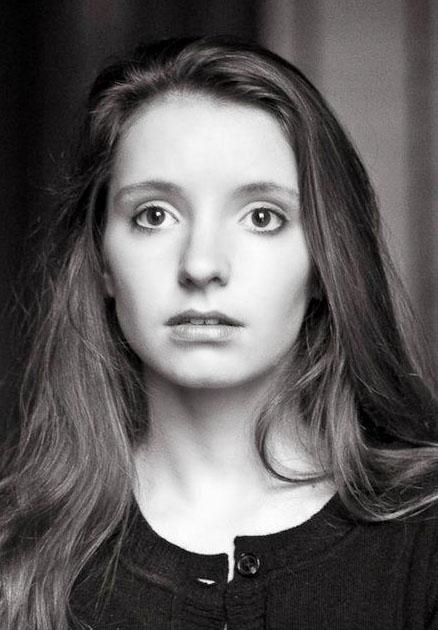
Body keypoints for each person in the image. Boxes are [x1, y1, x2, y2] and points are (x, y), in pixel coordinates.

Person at [1, 36, 438, 630]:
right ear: (102, 259)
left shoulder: (424, 539)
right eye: (154, 215)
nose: (202, 264)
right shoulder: (15, 550)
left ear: (323, 262)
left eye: (262, 217)